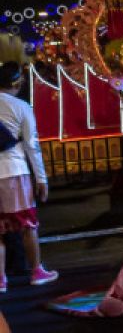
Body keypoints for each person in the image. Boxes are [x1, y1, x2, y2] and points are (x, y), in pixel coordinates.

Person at [0, 62, 56, 290]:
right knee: (28, 225)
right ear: (16, 83)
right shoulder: (21, 106)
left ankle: (1, 279)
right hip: (15, 171)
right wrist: (41, 178)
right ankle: (37, 271)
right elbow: (32, 146)